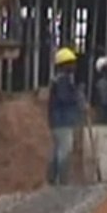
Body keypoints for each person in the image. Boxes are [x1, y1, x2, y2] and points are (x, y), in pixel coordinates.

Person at [47, 47, 86, 185]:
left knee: (58, 149)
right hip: (62, 120)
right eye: (71, 63)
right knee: (64, 150)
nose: (74, 66)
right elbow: (65, 98)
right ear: (64, 65)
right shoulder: (62, 81)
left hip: (57, 120)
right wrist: (77, 95)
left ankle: (52, 179)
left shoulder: (58, 80)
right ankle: (62, 181)